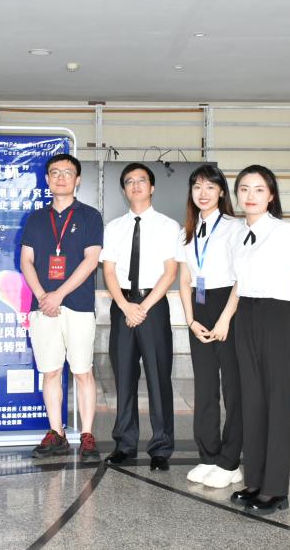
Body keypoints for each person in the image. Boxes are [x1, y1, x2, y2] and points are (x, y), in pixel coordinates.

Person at [224, 165, 290, 515]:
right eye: (244, 189)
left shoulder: (286, 232)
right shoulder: (239, 234)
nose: (250, 195)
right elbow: (239, 284)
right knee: (252, 401)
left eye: (259, 189)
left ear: (271, 195)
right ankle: (255, 481)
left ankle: (276, 489)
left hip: (280, 317)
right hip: (247, 315)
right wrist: (227, 319)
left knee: (278, 403)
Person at [20, 153, 104, 462]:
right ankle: (56, 433)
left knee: (82, 371)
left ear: (77, 180)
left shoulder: (90, 216)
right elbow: (26, 261)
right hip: (43, 307)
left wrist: (59, 295)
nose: (60, 178)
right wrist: (44, 295)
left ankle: (87, 435)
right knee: (51, 371)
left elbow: (91, 261)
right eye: (54, 172)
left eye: (67, 173)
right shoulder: (36, 218)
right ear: (47, 179)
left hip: (78, 305)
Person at [101, 163, 180, 471]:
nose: (135, 185)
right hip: (122, 305)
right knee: (123, 376)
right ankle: (125, 443)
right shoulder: (114, 227)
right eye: (129, 181)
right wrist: (125, 305)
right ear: (124, 190)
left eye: (141, 180)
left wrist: (143, 307)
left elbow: (170, 272)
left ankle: (161, 447)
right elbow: (109, 271)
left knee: (159, 377)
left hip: (153, 306)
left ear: (152, 187)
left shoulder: (168, 226)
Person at [176, 164, 245, 488]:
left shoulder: (235, 227)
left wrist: (225, 319)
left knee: (233, 388)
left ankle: (230, 462)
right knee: (204, 388)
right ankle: (208, 455)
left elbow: (242, 278)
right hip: (199, 308)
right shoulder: (186, 232)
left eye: (209, 187)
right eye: (197, 187)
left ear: (221, 192)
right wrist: (191, 319)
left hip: (229, 306)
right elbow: (185, 279)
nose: (202, 194)